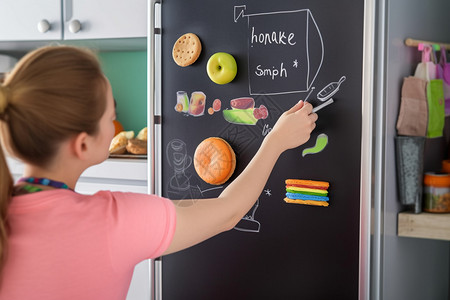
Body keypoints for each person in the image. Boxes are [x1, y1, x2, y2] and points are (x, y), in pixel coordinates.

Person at [0, 45, 317, 299]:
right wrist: (275, 141)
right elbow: (228, 213)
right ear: (83, 144)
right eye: (112, 117)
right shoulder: (112, 221)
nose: (114, 125)